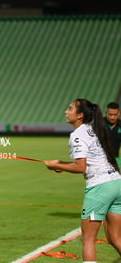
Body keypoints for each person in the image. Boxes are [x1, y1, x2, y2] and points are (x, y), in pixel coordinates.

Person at [44, 99, 121, 262]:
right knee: (115, 238)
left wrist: (57, 164)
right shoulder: (92, 130)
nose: (66, 111)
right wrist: (61, 165)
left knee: (87, 240)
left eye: (70, 108)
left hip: (101, 187)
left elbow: (81, 167)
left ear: (80, 115)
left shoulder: (78, 135)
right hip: (116, 183)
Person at [104, 102, 121, 168]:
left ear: (119, 113)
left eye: (115, 115)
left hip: (116, 159)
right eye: (110, 115)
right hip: (100, 160)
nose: (112, 117)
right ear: (106, 113)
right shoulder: (98, 125)